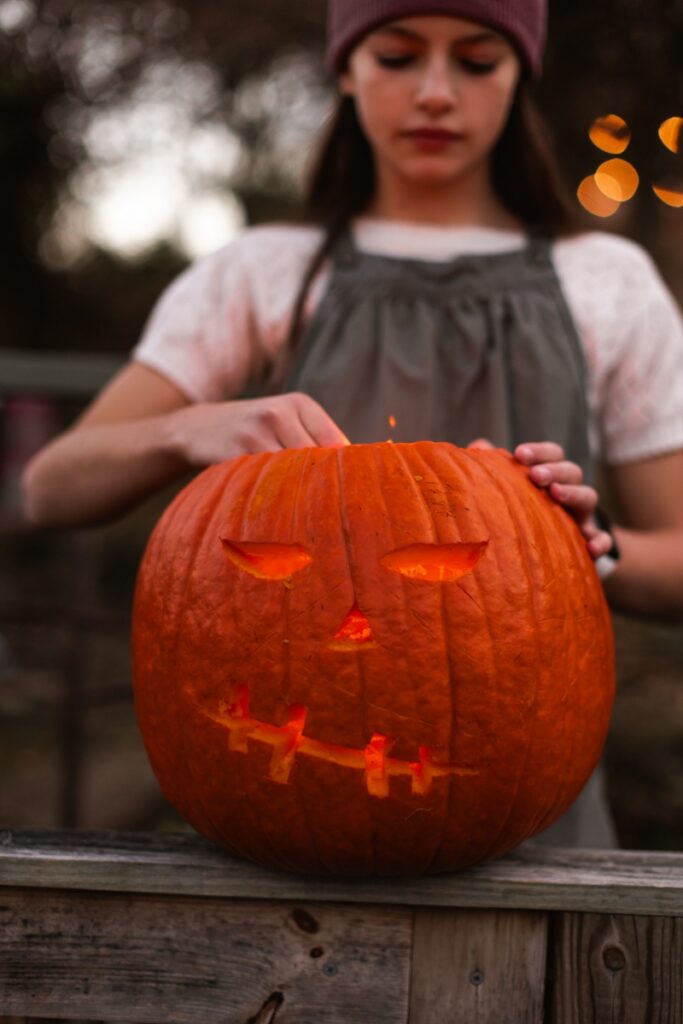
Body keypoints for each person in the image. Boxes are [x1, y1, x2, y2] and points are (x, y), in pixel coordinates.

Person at [22, 0, 683, 846]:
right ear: (345, 68)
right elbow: (49, 488)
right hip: (286, 831)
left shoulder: (608, 282)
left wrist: (591, 550)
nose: (436, 93)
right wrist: (186, 429)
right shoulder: (265, 274)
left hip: (526, 827)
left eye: (477, 62)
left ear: (520, 75)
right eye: (398, 56)